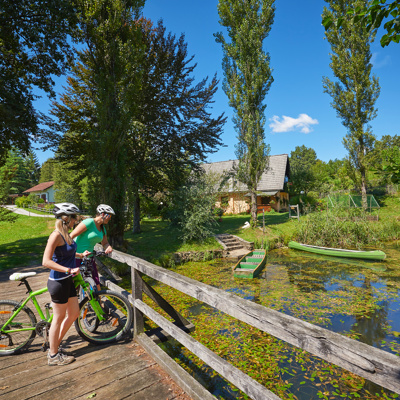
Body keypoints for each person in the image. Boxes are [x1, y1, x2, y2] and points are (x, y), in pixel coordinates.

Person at [42, 203, 91, 366]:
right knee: (59, 317)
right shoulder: (55, 235)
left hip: (67, 280)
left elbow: (67, 252)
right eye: (74, 217)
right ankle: (53, 355)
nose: (76, 220)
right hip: (58, 282)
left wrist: (80, 254)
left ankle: (54, 344)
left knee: (74, 313)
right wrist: (68, 270)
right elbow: (46, 261)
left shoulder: (66, 234)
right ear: (66, 218)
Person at [70, 204, 115, 292]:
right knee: (74, 284)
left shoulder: (102, 228)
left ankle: (99, 303)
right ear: (102, 214)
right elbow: (71, 236)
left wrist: (108, 247)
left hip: (88, 257)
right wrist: (67, 251)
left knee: (96, 281)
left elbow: (105, 242)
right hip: (76, 256)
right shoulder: (89, 222)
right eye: (109, 215)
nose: (110, 218)